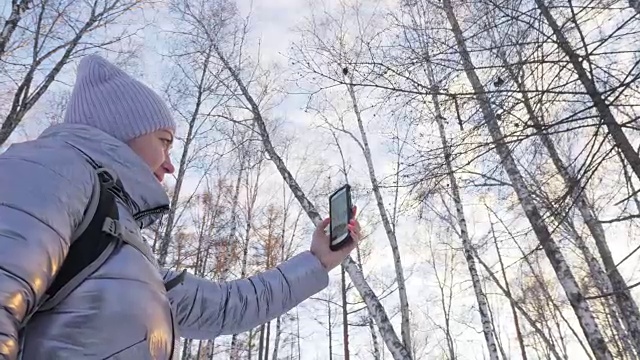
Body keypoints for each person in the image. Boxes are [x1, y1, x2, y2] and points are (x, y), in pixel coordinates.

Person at [0, 54, 362, 359]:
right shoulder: (49, 169)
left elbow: (224, 307)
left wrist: (316, 262)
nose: (170, 164)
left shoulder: (121, 246)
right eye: (164, 141)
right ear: (118, 129)